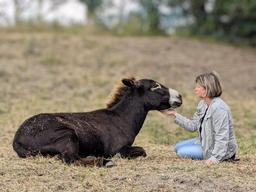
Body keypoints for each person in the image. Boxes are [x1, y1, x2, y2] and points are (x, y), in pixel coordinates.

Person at [161, 71, 237, 165]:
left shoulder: (219, 108)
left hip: (219, 150)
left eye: (198, 87)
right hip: (204, 142)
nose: (195, 89)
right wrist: (174, 114)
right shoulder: (202, 104)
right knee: (177, 147)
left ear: (207, 89)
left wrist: (215, 158)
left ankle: (222, 156)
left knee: (181, 152)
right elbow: (192, 126)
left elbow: (222, 136)